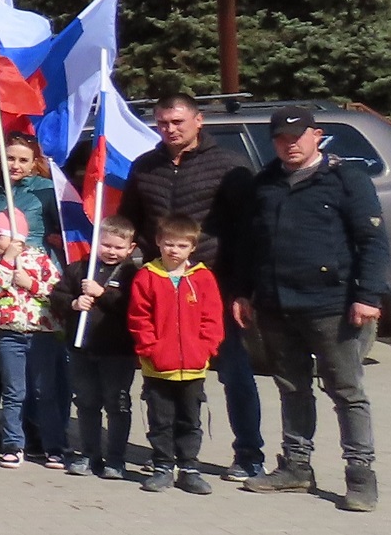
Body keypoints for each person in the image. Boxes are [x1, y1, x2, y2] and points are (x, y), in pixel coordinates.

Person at [227, 106, 389, 512]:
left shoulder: (345, 179)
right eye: (281, 139)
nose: (289, 144)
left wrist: (368, 296)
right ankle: (297, 466)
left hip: (331, 304)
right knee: (292, 388)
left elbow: (373, 242)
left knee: (346, 391)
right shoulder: (264, 183)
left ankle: (360, 474)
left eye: (297, 136)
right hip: (276, 303)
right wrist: (245, 291)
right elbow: (250, 244)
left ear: (316, 135)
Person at [122, 94, 265, 481]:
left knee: (234, 371)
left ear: (198, 121)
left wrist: (241, 291)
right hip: (162, 291)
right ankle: (167, 456)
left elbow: (248, 233)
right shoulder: (145, 167)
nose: (170, 129)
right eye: (164, 123)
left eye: (178, 122)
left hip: (213, 286)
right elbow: (129, 222)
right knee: (163, 379)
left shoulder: (229, 165)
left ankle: (249, 453)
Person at [130, 215, 223, 495]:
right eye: (168, 244)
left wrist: (205, 349)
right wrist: (151, 349)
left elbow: (213, 319)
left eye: (181, 245)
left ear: (192, 248)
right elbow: (139, 318)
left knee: (190, 420)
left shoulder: (203, 278)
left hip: (193, 367)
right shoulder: (147, 276)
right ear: (158, 242)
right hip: (158, 367)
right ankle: (162, 466)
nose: (174, 250)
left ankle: (189, 468)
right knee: (161, 419)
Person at [51, 215, 141, 480]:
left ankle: (116, 459)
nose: (111, 251)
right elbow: (57, 296)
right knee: (87, 403)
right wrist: (74, 304)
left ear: (130, 248)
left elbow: (132, 307)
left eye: (118, 247)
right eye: (106, 245)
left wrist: (103, 294)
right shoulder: (79, 269)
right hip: (82, 349)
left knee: (117, 405)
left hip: (117, 352)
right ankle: (89, 454)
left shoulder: (132, 274)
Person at [0, 208, 61, 469]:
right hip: (9, 333)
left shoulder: (40, 260)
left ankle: (53, 446)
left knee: (44, 392)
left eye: (0, 236)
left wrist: (31, 284)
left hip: (41, 332)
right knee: (14, 391)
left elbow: (56, 293)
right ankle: (13, 445)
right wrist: (7, 259)